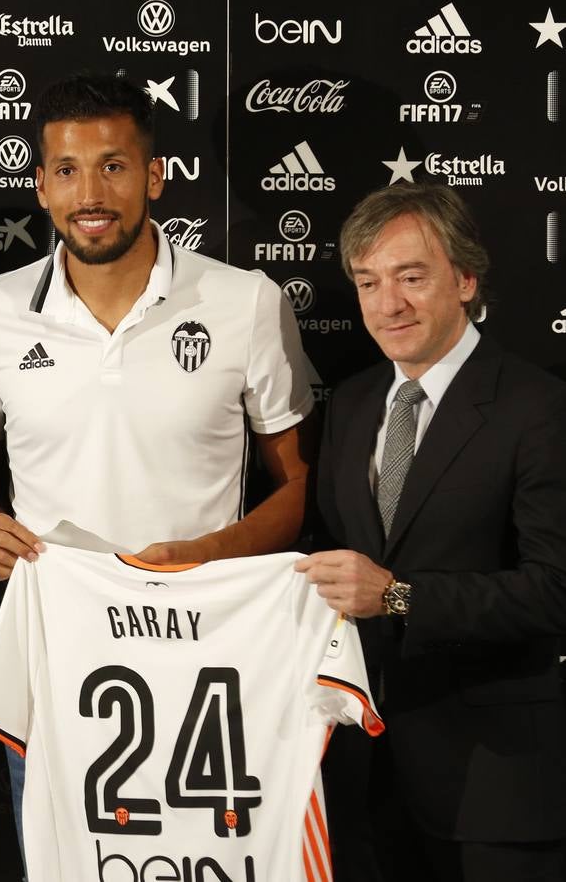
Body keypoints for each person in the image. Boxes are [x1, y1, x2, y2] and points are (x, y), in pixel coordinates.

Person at [0, 71, 315, 857]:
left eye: (114, 166)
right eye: (68, 169)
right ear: (41, 186)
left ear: (154, 176)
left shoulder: (244, 301)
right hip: (55, 657)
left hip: (213, 658)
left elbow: (295, 489)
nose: (92, 192)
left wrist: (201, 559)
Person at [298, 183, 566, 881]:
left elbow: (554, 591)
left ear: (465, 279)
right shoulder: (353, 404)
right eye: (368, 282)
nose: (389, 304)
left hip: (494, 787)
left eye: (411, 277)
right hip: (360, 783)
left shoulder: (537, 408)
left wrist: (398, 597)